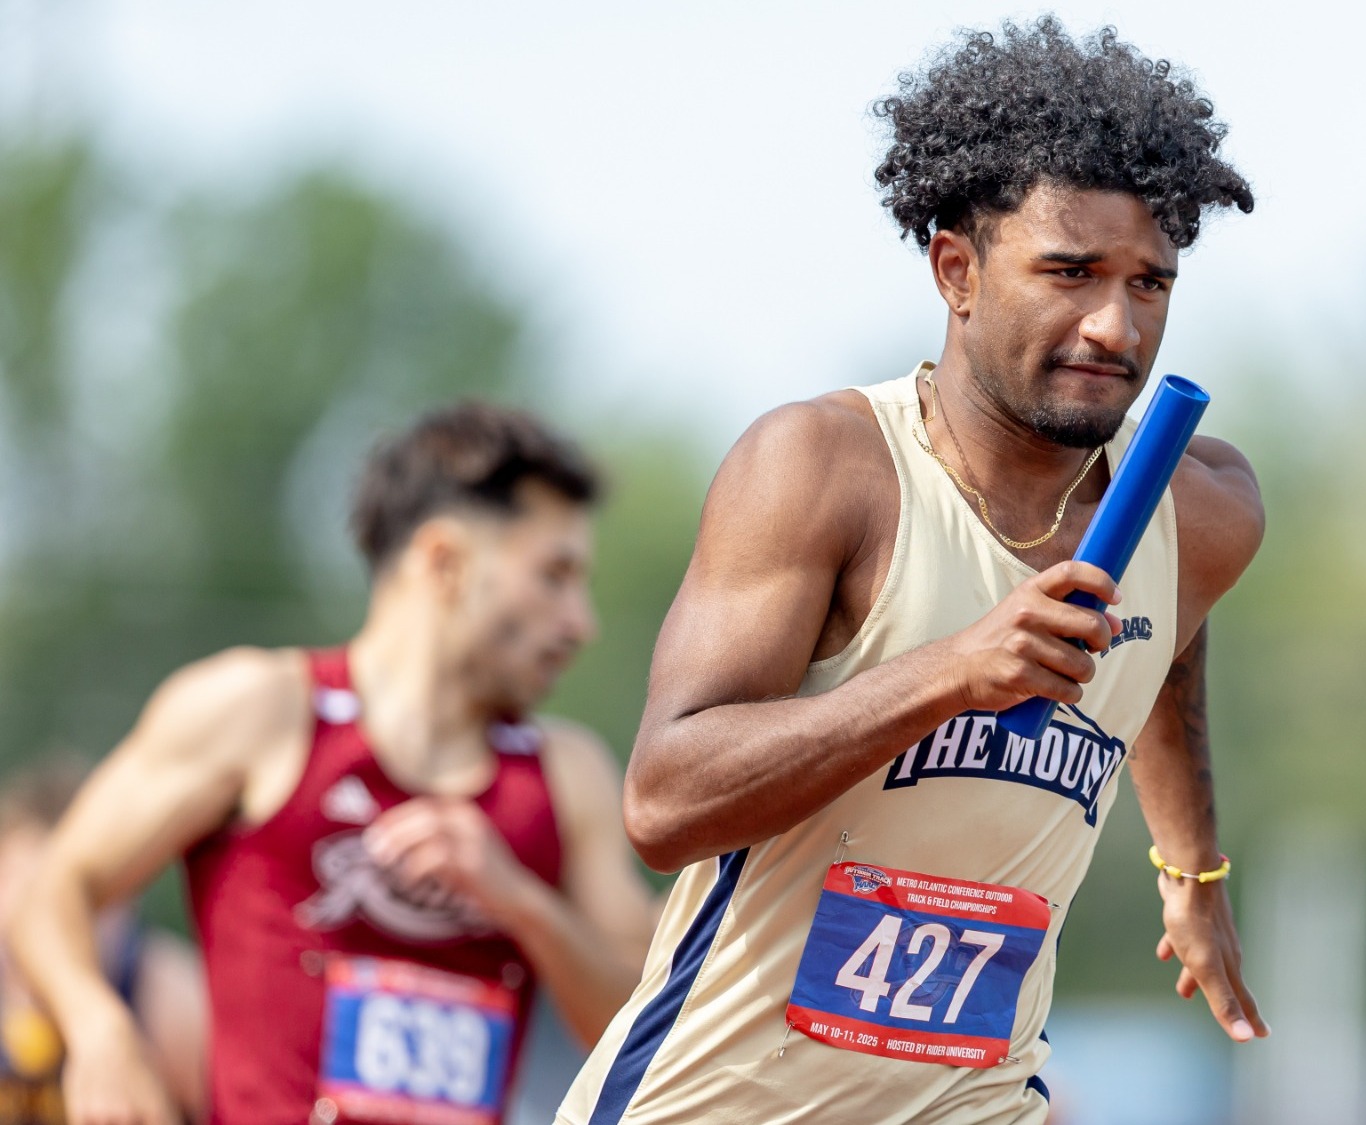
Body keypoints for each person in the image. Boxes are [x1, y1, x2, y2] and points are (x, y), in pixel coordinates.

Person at [562, 18, 1267, 1125]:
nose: (1114, 327)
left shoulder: (1201, 509)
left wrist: (1191, 869)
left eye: (1150, 284)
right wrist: (950, 673)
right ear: (956, 270)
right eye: (1070, 272)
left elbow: (1171, 639)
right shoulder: (824, 468)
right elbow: (662, 802)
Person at [9, 403, 658, 1125]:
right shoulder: (263, 711)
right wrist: (98, 1026)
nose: (581, 622)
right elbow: (55, 889)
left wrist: (522, 901)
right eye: (554, 575)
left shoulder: (564, 774)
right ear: (444, 560)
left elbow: (646, 1025)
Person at [0, 757, 206, 1124]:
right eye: (26, 893)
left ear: (129, 901)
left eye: (82, 906)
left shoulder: (172, 1005)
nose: (47, 925)